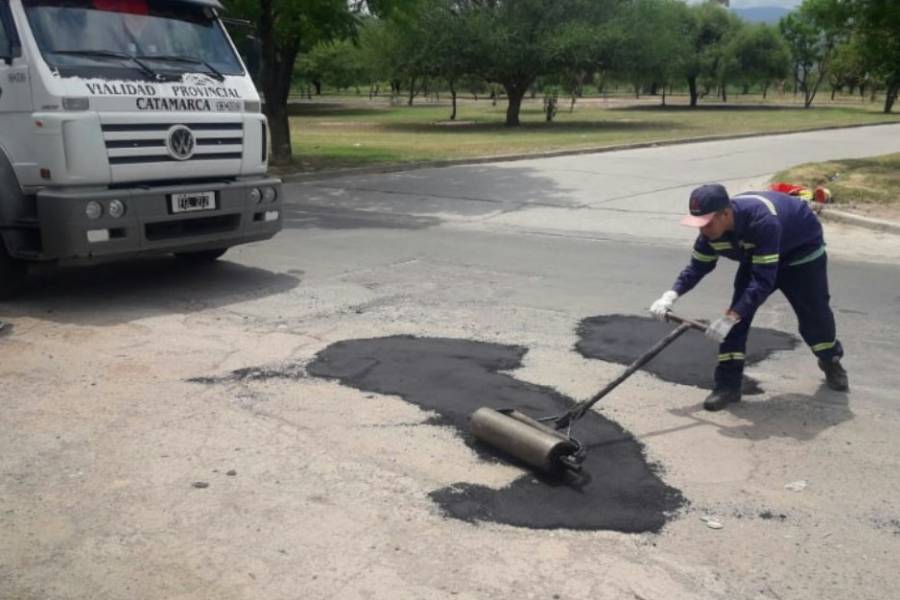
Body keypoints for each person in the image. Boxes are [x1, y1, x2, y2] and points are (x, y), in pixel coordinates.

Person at [650, 183, 849, 411]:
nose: (703, 230)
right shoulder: (711, 234)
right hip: (758, 256)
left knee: (815, 316)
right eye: (698, 224)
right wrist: (670, 295)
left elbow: (762, 282)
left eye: (706, 223)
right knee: (736, 322)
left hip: (800, 254)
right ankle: (727, 386)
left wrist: (732, 316)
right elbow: (697, 267)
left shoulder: (762, 222)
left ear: (725, 213)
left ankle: (830, 361)